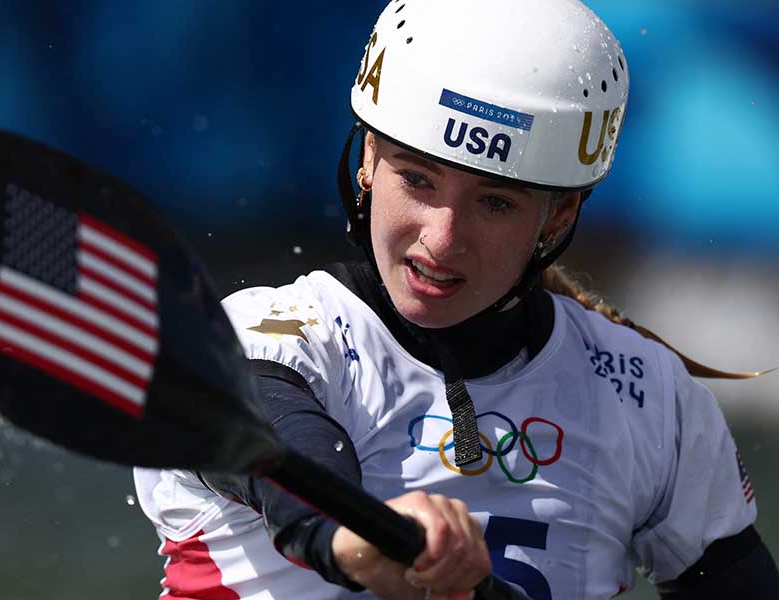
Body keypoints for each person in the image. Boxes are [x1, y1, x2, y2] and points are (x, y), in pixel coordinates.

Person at [134, 1, 779, 598]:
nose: (441, 241)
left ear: (557, 217)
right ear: (367, 159)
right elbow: (271, 448)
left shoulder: (648, 397)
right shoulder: (263, 337)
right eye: (417, 180)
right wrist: (360, 539)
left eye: (494, 202)